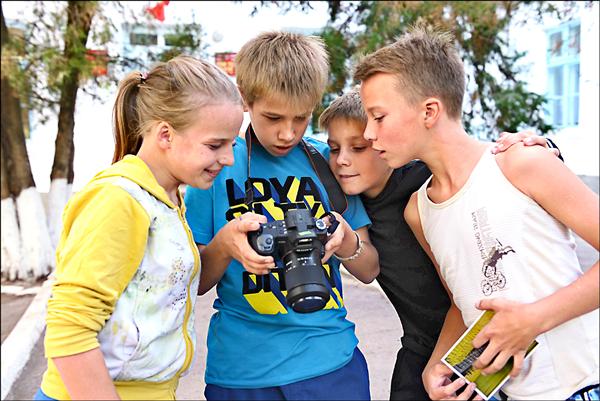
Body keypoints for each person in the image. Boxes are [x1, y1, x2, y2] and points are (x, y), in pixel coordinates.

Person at [355, 25, 599, 401]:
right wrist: (438, 366)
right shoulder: (419, 211)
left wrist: (531, 320)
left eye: (378, 117)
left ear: (429, 111)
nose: (369, 134)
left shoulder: (520, 163)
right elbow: (462, 301)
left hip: (583, 385)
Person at [319, 88, 564, 400]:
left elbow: (483, 166)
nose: (342, 160)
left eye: (358, 147)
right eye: (334, 148)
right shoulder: (341, 199)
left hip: (485, 336)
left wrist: (544, 147)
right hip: (422, 345)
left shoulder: (426, 182)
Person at [34, 55, 244, 401]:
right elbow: (69, 328)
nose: (228, 159)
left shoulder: (166, 198)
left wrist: (223, 244)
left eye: (231, 144)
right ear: (165, 134)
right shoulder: (119, 199)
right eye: (215, 145)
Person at [184, 31, 380, 400]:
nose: (287, 132)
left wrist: (346, 239)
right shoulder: (215, 168)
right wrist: (226, 244)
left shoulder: (329, 162)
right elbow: (193, 283)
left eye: (301, 118)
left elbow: (369, 270)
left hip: (328, 361)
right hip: (241, 371)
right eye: (273, 117)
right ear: (245, 99)